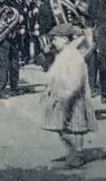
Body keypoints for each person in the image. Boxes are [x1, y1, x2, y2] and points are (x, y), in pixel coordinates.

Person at [42, 22, 98, 165]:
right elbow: (54, 73)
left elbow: (77, 77)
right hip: (61, 94)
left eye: (55, 39)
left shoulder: (74, 54)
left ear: (65, 39)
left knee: (77, 126)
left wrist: (70, 93)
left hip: (74, 95)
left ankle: (77, 154)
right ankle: (73, 151)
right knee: (61, 126)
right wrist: (48, 88)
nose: (53, 42)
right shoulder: (62, 54)